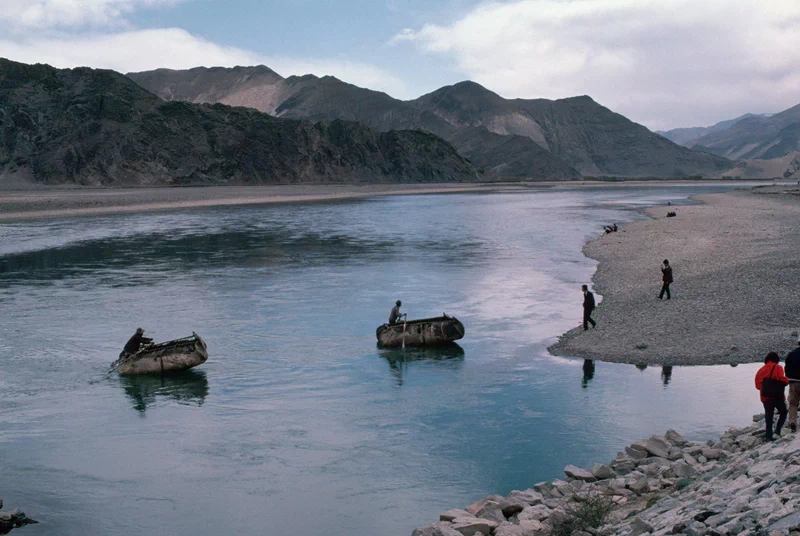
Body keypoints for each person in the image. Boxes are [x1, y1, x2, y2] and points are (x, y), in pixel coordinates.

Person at [755, 352, 790, 441]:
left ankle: (768, 436)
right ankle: (777, 432)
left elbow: (757, 385)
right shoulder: (778, 367)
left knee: (768, 416)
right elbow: (781, 379)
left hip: (765, 398)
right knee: (783, 412)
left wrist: (766, 388)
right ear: (776, 359)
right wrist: (787, 381)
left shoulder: (761, 370)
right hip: (777, 396)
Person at [785, 336, 800, 432]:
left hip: (793, 381)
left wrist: (788, 378)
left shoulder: (791, 354)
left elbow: (786, 368)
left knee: (793, 403)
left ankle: (792, 422)